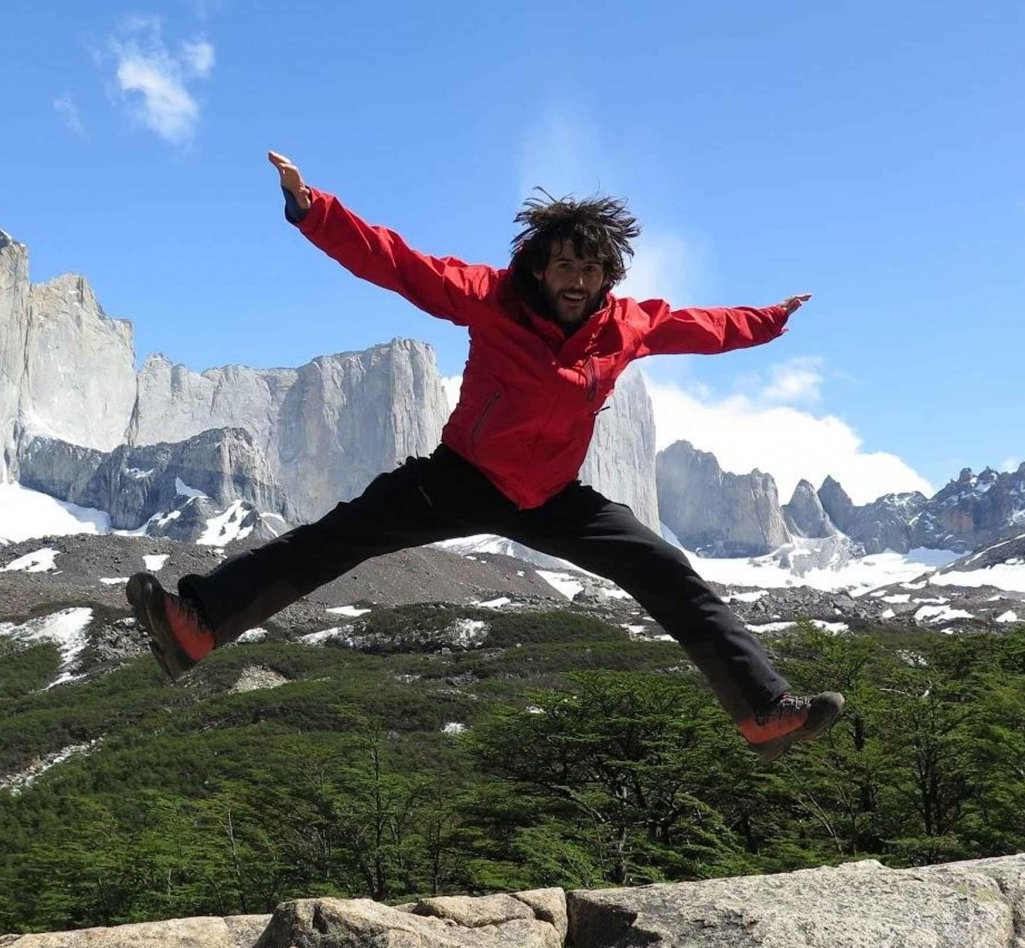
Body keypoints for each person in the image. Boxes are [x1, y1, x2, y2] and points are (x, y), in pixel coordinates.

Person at [126, 150, 845, 763]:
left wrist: (771, 319)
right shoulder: (491, 298)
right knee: (337, 536)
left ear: (606, 277)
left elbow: (705, 326)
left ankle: (761, 710)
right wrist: (314, 208)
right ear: (538, 265)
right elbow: (397, 263)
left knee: (666, 570)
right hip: (461, 476)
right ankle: (199, 624)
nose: (575, 277)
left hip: (554, 495)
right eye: (563, 262)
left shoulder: (628, 325)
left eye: (589, 268)